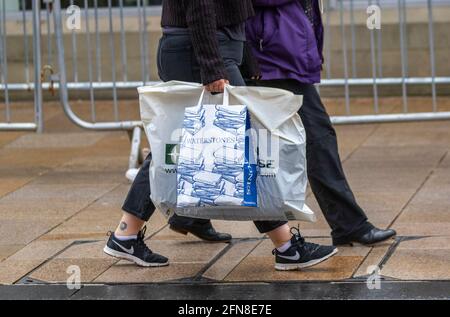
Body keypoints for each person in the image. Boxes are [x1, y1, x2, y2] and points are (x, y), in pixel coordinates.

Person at [103, 0, 338, 271]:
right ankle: (286, 246)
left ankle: (126, 233)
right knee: (245, 142)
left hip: (209, 46)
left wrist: (245, 56)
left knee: (184, 145)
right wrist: (213, 66)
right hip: (201, 48)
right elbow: (200, 4)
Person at [243, 0, 396, 246]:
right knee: (318, 140)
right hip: (271, 60)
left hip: (281, 59)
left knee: (308, 140)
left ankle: (189, 217)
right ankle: (349, 224)